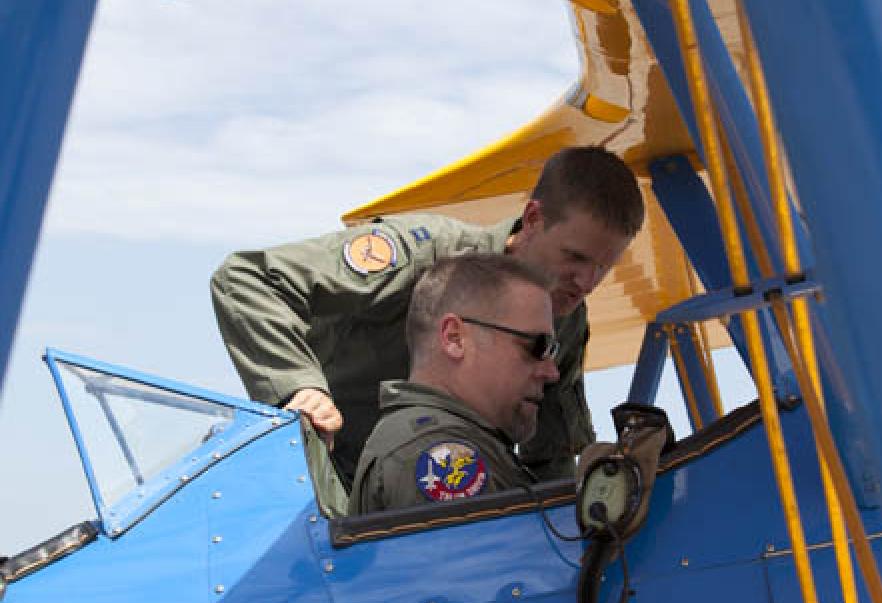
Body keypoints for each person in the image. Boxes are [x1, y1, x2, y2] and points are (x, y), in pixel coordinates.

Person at [211, 146, 644, 487]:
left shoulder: (565, 319)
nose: (587, 281)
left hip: (426, 494)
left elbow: (551, 451)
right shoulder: (427, 254)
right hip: (321, 489)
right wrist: (299, 388)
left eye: (603, 267)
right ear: (533, 218)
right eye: (575, 257)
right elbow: (247, 279)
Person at [349, 255, 559, 514]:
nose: (551, 372)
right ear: (455, 338)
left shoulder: (460, 445)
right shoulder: (438, 455)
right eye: (537, 347)